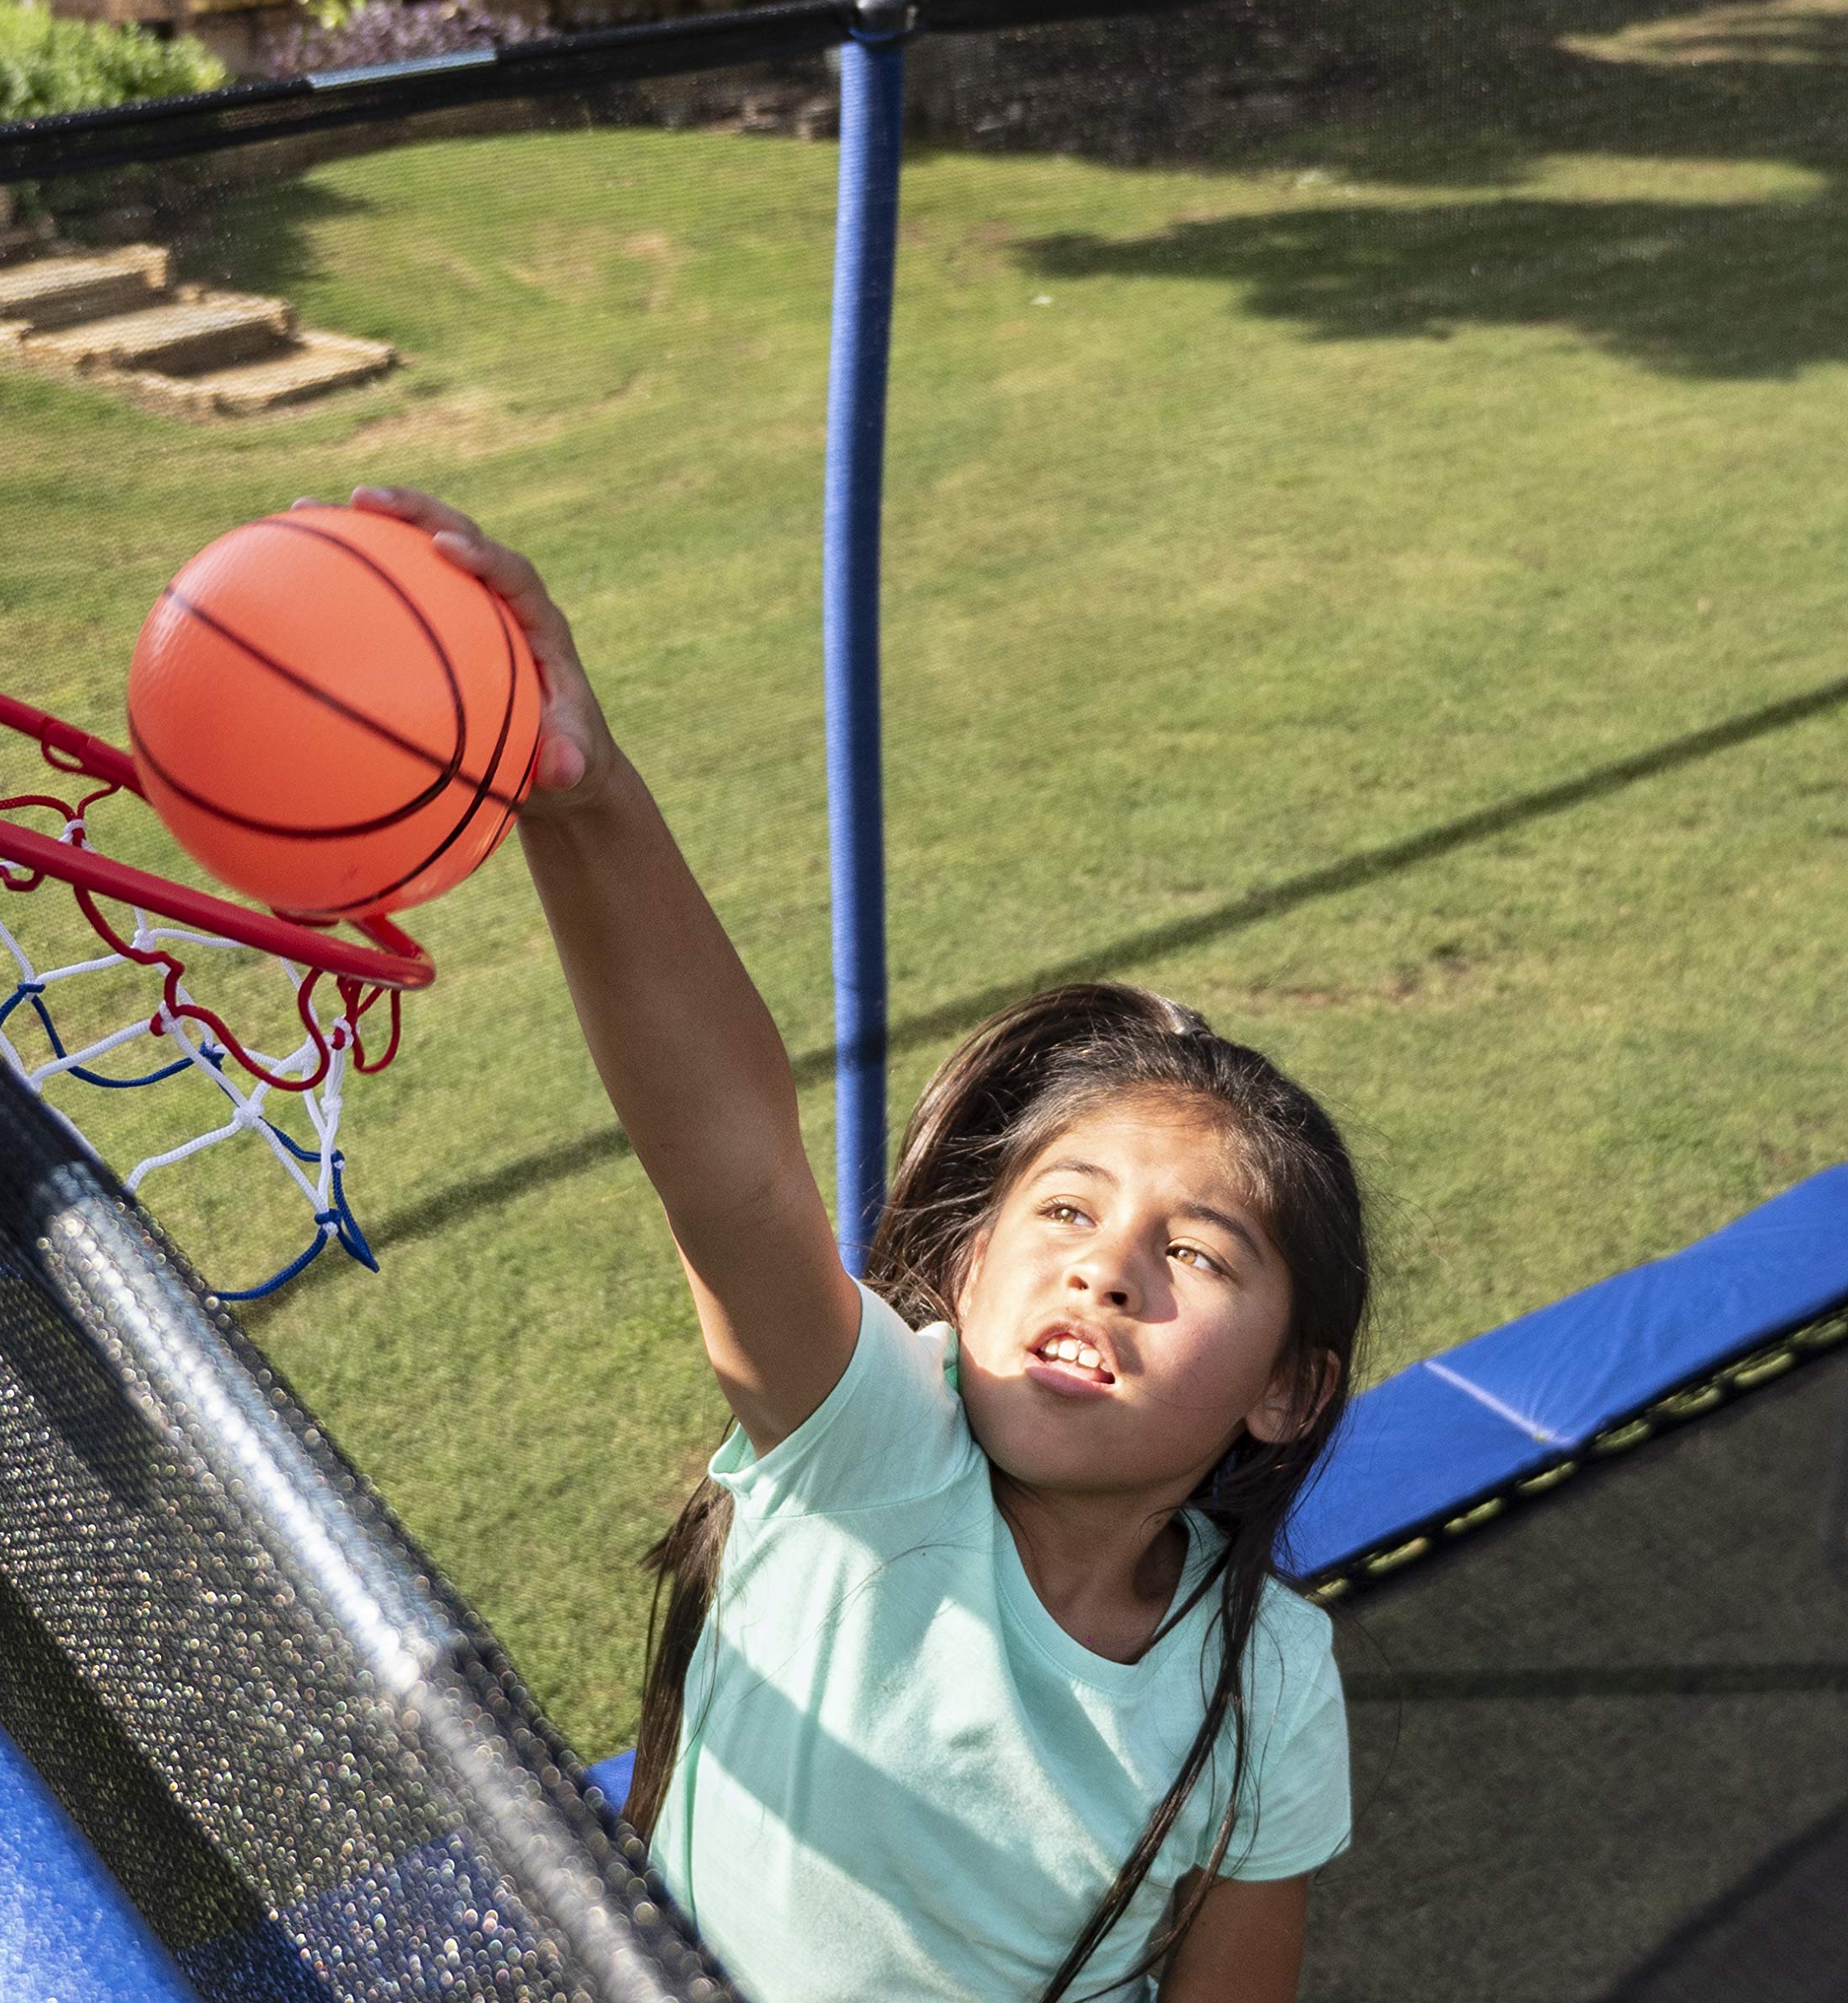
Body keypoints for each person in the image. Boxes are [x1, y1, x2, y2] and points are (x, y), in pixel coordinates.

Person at [347, 483, 1371, 2002]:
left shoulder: (1265, 1680)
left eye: (1200, 1253)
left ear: (1289, 1388)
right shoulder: (877, 1449)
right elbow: (734, 1170)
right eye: (1069, 1212)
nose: (1106, 1267)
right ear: (965, 1274)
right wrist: (589, 801)